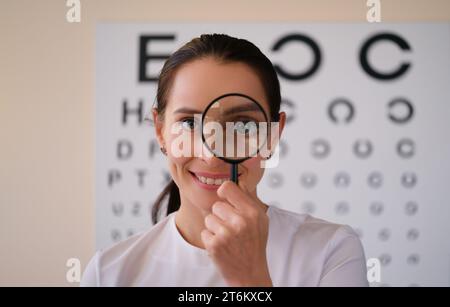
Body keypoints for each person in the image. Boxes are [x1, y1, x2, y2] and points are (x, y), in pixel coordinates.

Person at [81, 33, 368, 287]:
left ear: (273, 134)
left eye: (242, 125)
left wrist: (250, 279)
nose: (212, 153)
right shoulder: (108, 273)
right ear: (160, 131)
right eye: (190, 124)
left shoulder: (332, 251)